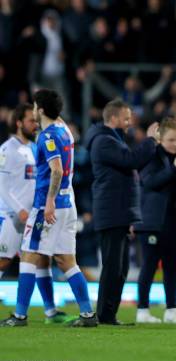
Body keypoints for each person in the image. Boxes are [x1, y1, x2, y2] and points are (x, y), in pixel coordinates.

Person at [1, 89, 96, 327]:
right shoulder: (65, 131)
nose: (33, 111)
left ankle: (20, 315)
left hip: (48, 205)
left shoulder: (47, 137)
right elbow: (56, 117)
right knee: (67, 261)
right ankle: (87, 314)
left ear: (40, 110)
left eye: (35, 107)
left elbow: (56, 170)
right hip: (69, 205)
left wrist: (50, 201)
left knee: (29, 256)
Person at [84, 99, 158, 325]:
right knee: (112, 267)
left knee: (121, 268)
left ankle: (109, 314)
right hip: (111, 211)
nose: (129, 123)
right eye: (126, 118)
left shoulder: (112, 140)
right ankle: (104, 314)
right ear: (113, 118)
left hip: (120, 212)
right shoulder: (103, 141)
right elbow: (131, 161)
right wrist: (151, 140)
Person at [135, 117, 176, 324]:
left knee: (171, 267)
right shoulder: (150, 156)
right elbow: (150, 182)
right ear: (160, 140)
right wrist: (174, 169)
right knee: (149, 266)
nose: (175, 144)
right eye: (170, 140)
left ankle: (171, 309)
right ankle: (142, 310)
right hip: (152, 221)